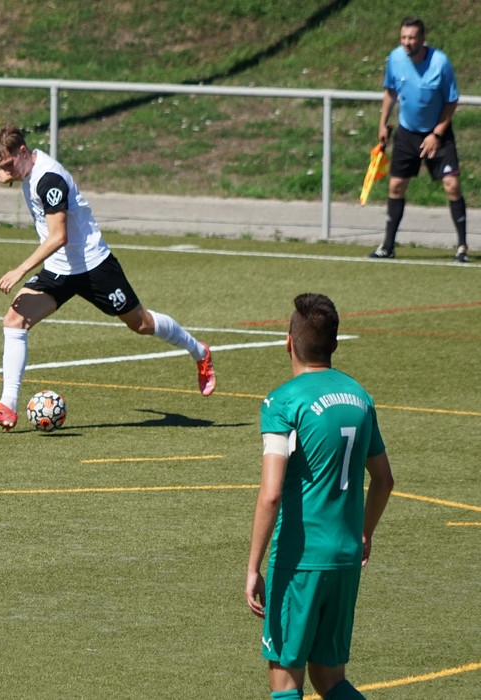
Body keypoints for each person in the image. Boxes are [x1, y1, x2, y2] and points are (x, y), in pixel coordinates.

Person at [0, 124, 216, 430]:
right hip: (59, 270)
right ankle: (7, 406)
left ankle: (199, 351)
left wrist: (20, 270)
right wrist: (12, 174)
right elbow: (27, 186)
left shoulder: (50, 180)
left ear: (23, 151)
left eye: (9, 164)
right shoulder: (27, 169)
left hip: (93, 266)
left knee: (141, 324)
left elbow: (58, 236)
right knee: (14, 320)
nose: (7, 171)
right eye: (2, 167)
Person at [245, 293, 394, 700]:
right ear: (335, 344)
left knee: (285, 680)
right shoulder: (360, 397)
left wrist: (253, 567)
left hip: (300, 559)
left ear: (288, 342)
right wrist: (365, 533)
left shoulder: (282, 401)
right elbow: (384, 479)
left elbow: (271, 494)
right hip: (345, 556)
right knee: (331, 679)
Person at [369, 17, 468, 262]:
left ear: (422, 39)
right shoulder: (395, 58)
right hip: (407, 133)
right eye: (403, 37)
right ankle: (387, 246)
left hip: (438, 133)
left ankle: (462, 247)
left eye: (412, 38)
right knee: (395, 186)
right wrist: (382, 123)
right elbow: (390, 92)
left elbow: (451, 101)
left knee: (452, 185)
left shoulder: (440, 63)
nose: (407, 42)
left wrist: (437, 134)